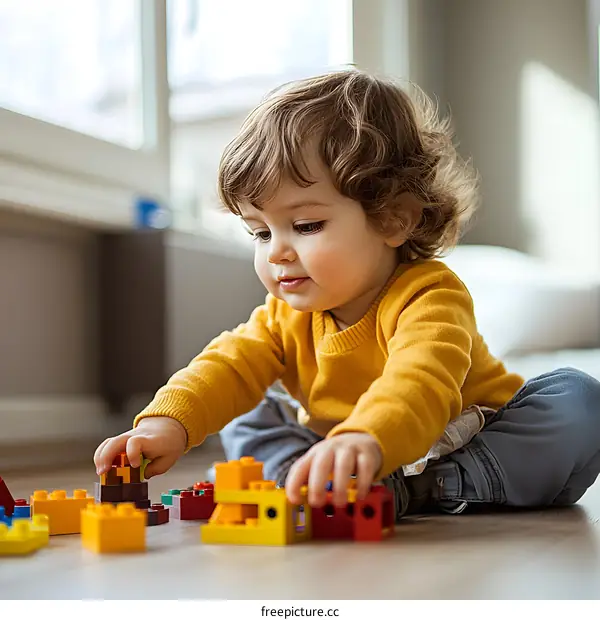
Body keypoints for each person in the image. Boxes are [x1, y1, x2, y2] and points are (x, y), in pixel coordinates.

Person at [94, 69, 600, 520]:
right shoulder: (281, 316)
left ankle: (428, 488)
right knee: (246, 409)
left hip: (459, 441)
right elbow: (224, 365)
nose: (277, 253)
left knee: (578, 401)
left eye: (306, 225)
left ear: (394, 218)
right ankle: (319, 484)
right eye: (260, 232)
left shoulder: (430, 295)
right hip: (341, 449)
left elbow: (419, 381)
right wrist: (168, 423)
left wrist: (368, 437)